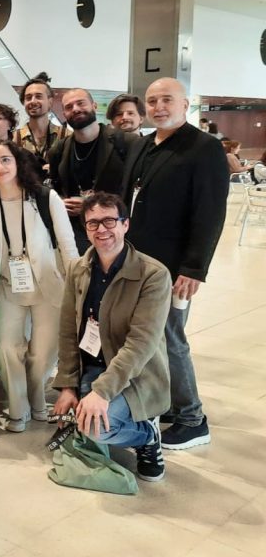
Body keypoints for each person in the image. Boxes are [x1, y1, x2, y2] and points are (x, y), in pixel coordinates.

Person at [121, 77, 229, 450]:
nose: (158, 107)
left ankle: (192, 418)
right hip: (135, 260)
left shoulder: (204, 148)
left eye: (167, 99)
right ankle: (164, 403)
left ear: (186, 105)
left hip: (173, 267)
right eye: (152, 101)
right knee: (146, 338)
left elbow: (210, 212)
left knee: (170, 338)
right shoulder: (142, 145)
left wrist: (194, 268)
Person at [51, 192, 171, 483]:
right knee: (74, 418)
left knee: (94, 428)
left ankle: (146, 435)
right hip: (93, 365)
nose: (101, 230)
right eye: (93, 223)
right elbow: (68, 330)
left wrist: (101, 392)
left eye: (109, 221)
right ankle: (109, 412)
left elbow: (140, 345)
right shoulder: (78, 269)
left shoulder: (153, 275)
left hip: (136, 374)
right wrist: (67, 385)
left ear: (125, 224)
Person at [0, 141, 78, 432]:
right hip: (8, 285)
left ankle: (37, 401)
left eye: (5, 160)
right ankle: (18, 409)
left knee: (44, 353)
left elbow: (68, 244)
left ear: (18, 162)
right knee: (6, 347)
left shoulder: (46, 197)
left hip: (48, 284)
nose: (0, 167)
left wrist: (78, 286)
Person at [48, 88, 137, 252]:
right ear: (64, 115)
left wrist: (92, 206)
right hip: (77, 235)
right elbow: (54, 188)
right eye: (68, 107)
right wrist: (61, 203)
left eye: (80, 103)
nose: (75, 109)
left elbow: (134, 191)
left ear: (94, 106)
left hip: (116, 232)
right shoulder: (58, 150)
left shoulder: (126, 143)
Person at [13, 72, 70, 166]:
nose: (33, 101)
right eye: (28, 98)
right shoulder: (15, 138)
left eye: (38, 96)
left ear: (50, 102)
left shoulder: (67, 136)